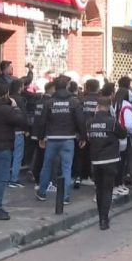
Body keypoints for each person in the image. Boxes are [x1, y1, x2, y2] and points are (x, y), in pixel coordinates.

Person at [36, 76, 86, 205]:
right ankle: (65, 197)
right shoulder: (74, 102)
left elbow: (41, 122)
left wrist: (41, 137)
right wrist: (83, 137)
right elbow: (80, 121)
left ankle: (42, 192)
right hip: (68, 138)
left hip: (52, 138)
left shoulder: (49, 102)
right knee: (66, 168)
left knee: (46, 166)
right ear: (67, 87)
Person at [0, 81, 28, 220]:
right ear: (6, 94)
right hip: (3, 146)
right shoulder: (6, 109)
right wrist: (15, 107)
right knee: (2, 178)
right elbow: (22, 121)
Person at [86, 96, 126, 230]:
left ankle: (100, 217)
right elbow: (123, 134)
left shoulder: (90, 122)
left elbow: (88, 138)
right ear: (109, 106)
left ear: (97, 106)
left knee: (99, 189)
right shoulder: (112, 122)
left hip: (96, 160)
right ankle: (104, 218)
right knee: (107, 190)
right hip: (110, 159)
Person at [74, 78, 100, 188]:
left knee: (81, 155)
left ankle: (79, 176)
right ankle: (88, 176)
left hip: (82, 131)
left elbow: (78, 117)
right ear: (97, 88)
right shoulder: (100, 100)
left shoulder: (82, 100)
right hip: (96, 132)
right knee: (92, 155)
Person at [113, 87, 132, 196]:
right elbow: (129, 124)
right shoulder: (126, 106)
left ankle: (117, 184)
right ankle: (118, 184)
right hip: (124, 136)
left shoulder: (113, 104)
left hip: (114, 136)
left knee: (117, 162)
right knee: (122, 162)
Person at [8, 79, 28, 188]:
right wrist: (27, 129)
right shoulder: (20, 100)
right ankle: (14, 179)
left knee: (8, 155)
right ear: (20, 87)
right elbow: (24, 116)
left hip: (7, 131)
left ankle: (6, 177)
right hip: (18, 131)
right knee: (17, 156)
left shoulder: (7, 98)